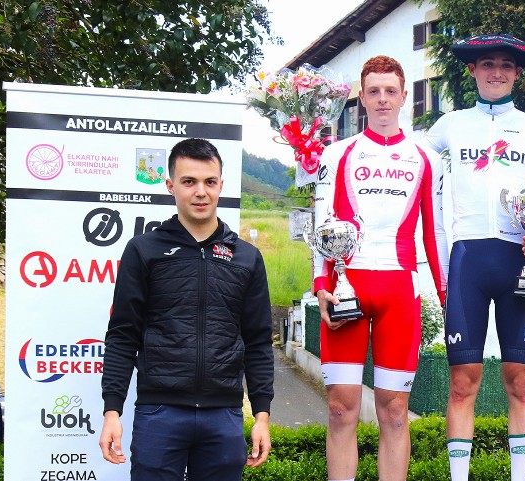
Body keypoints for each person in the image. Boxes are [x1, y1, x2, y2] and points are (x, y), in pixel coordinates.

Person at [98, 138, 274, 480]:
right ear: (170, 186)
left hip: (223, 416)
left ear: (221, 185)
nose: (200, 192)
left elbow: (258, 342)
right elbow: (123, 336)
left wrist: (262, 415)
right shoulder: (143, 250)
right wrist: (111, 411)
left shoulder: (247, 258)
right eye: (189, 181)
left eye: (209, 182)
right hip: (159, 413)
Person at [424, 33, 525, 481]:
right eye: (487, 64)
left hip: (520, 260)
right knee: (463, 381)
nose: (496, 71)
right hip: (468, 260)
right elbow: (408, 162)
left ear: (517, 72)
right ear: (472, 71)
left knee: (520, 379)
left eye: (505, 64)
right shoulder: (449, 125)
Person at [313, 55, 449, 481]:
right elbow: (321, 227)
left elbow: (435, 235)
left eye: (391, 91)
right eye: (374, 91)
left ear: (405, 96)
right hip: (345, 289)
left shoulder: (426, 157)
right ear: (362, 97)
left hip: (399, 292)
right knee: (340, 409)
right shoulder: (336, 155)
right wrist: (321, 284)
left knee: (393, 412)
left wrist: (448, 299)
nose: (383, 99)